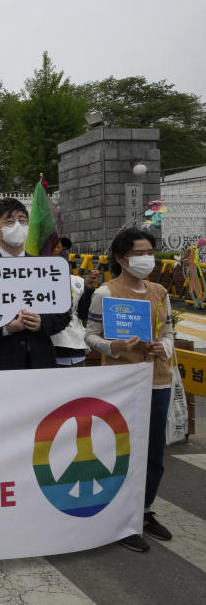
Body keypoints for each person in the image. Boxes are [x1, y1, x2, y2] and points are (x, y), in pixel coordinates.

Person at [84, 228, 173, 553]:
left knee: (154, 453)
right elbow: (90, 335)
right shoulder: (106, 292)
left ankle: (145, 511)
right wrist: (114, 346)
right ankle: (120, 519)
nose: (147, 258)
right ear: (122, 257)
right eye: (140, 252)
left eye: (150, 251)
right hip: (121, 384)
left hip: (157, 380)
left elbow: (169, 332)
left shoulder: (159, 291)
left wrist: (163, 347)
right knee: (122, 452)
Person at [0, 198, 71, 371]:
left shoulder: (45, 268)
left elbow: (63, 314)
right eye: (9, 222)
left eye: (22, 220)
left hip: (40, 362)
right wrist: (5, 328)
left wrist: (42, 323)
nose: (17, 225)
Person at [51, 269, 100, 368]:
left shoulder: (77, 281)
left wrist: (88, 290)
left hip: (75, 348)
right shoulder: (36, 279)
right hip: (46, 348)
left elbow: (83, 315)